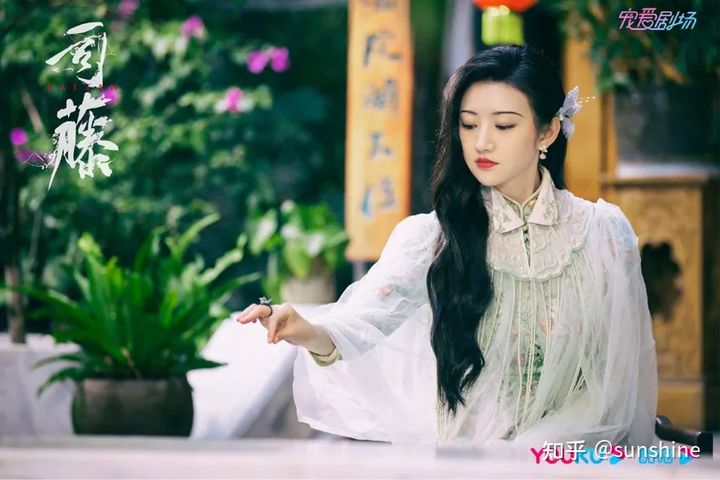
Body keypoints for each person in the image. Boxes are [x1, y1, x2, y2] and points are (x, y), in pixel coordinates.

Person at [234, 45, 658, 449]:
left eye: (504, 126)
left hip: (570, 456)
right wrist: (308, 330)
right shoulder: (434, 237)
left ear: (546, 131)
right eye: (469, 125)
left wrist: (542, 449)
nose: (482, 142)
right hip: (469, 461)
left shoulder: (602, 235)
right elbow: (364, 319)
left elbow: (618, 376)